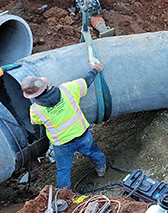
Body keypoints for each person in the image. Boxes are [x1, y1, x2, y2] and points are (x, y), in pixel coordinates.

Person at [22, 62, 107, 190]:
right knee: (93, 151)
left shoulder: (35, 110)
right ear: (45, 86)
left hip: (62, 144)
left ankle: (63, 193)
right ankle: (101, 168)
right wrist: (95, 70)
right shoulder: (67, 89)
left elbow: (35, 122)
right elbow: (86, 81)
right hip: (82, 134)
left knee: (63, 170)